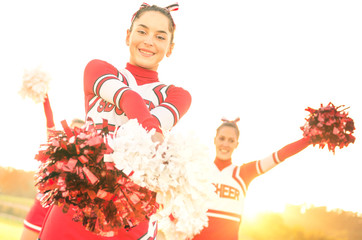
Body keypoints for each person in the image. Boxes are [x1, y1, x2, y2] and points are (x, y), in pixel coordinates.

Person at [38, 3, 191, 240]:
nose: (149, 41)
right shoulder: (98, 69)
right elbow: (128, 99)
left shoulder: (177, 95)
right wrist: (154, 132)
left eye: (160, 36)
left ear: (170, 48)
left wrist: (152, 132)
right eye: (142, 31)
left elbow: (140, 130)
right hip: (78, 199)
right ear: (128, 35)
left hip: (130, 210)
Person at [192, 118, 312, 240]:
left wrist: (310, 139)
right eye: (222, 138)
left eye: (231, 140)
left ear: (236, 144)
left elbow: (280, 155)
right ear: (214, 140)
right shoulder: (198, 171)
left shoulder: (243, 173)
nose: (225, 144)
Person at [20, 94, 85, 240]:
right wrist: (44, 96)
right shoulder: (55, 146)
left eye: (80, 131)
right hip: (40, 210)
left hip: (60, 217)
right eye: (72, 129)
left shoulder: (86, 162)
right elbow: (49, 121)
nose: (74, 134)